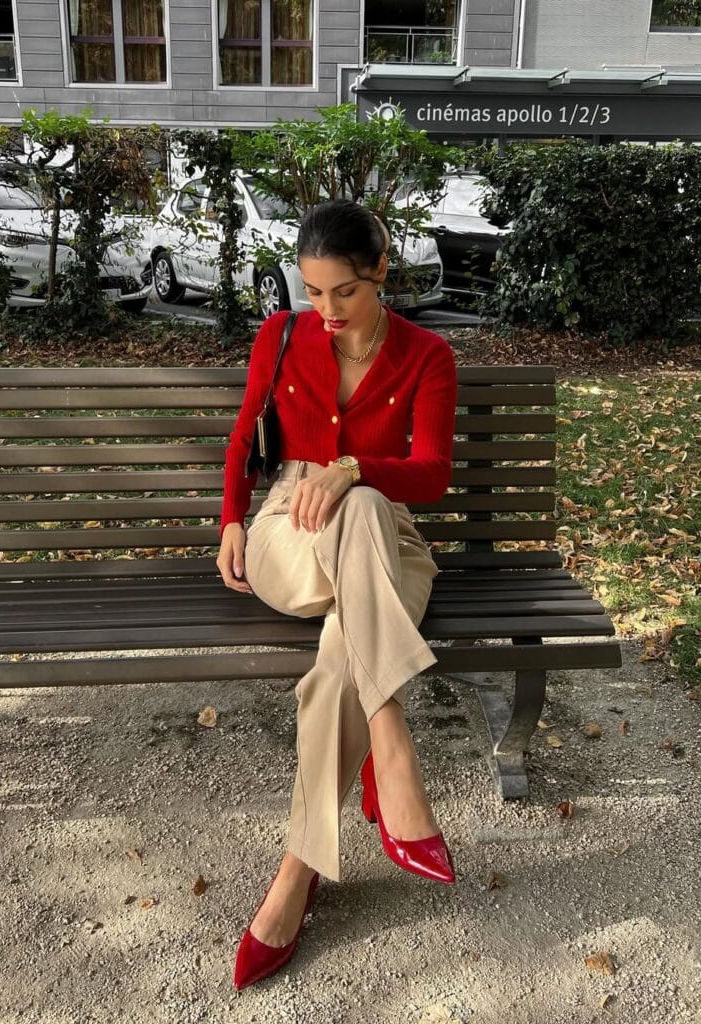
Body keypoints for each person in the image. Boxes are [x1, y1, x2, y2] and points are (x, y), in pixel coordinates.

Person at [216, 198, 458, 991]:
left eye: (342, 293)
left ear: (380, 272)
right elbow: (245, 429)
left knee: (336, 661)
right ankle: (391, 749)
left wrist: (352, 470)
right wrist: (230, 522)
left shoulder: (426, 356)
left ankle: (295, 874)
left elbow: (429, 476)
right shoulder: (280, 336)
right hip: (289, 532)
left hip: (387, 541)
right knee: (346, 514)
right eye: (312, 292)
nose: (323, 311)